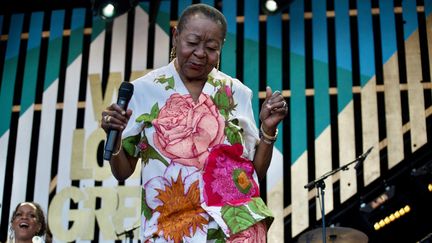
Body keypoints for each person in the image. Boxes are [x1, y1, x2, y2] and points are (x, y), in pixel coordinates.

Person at [101, 3, 288, 242]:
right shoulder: (144, 90)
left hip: (236, 228)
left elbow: (254, 172)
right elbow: (122, 171)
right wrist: (114, 137)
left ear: (221, 48)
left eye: (211, 47)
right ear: (176, 36)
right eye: (192, 43)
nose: (200, 53)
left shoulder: (237, 92)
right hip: (171, 228)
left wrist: (268, 131)